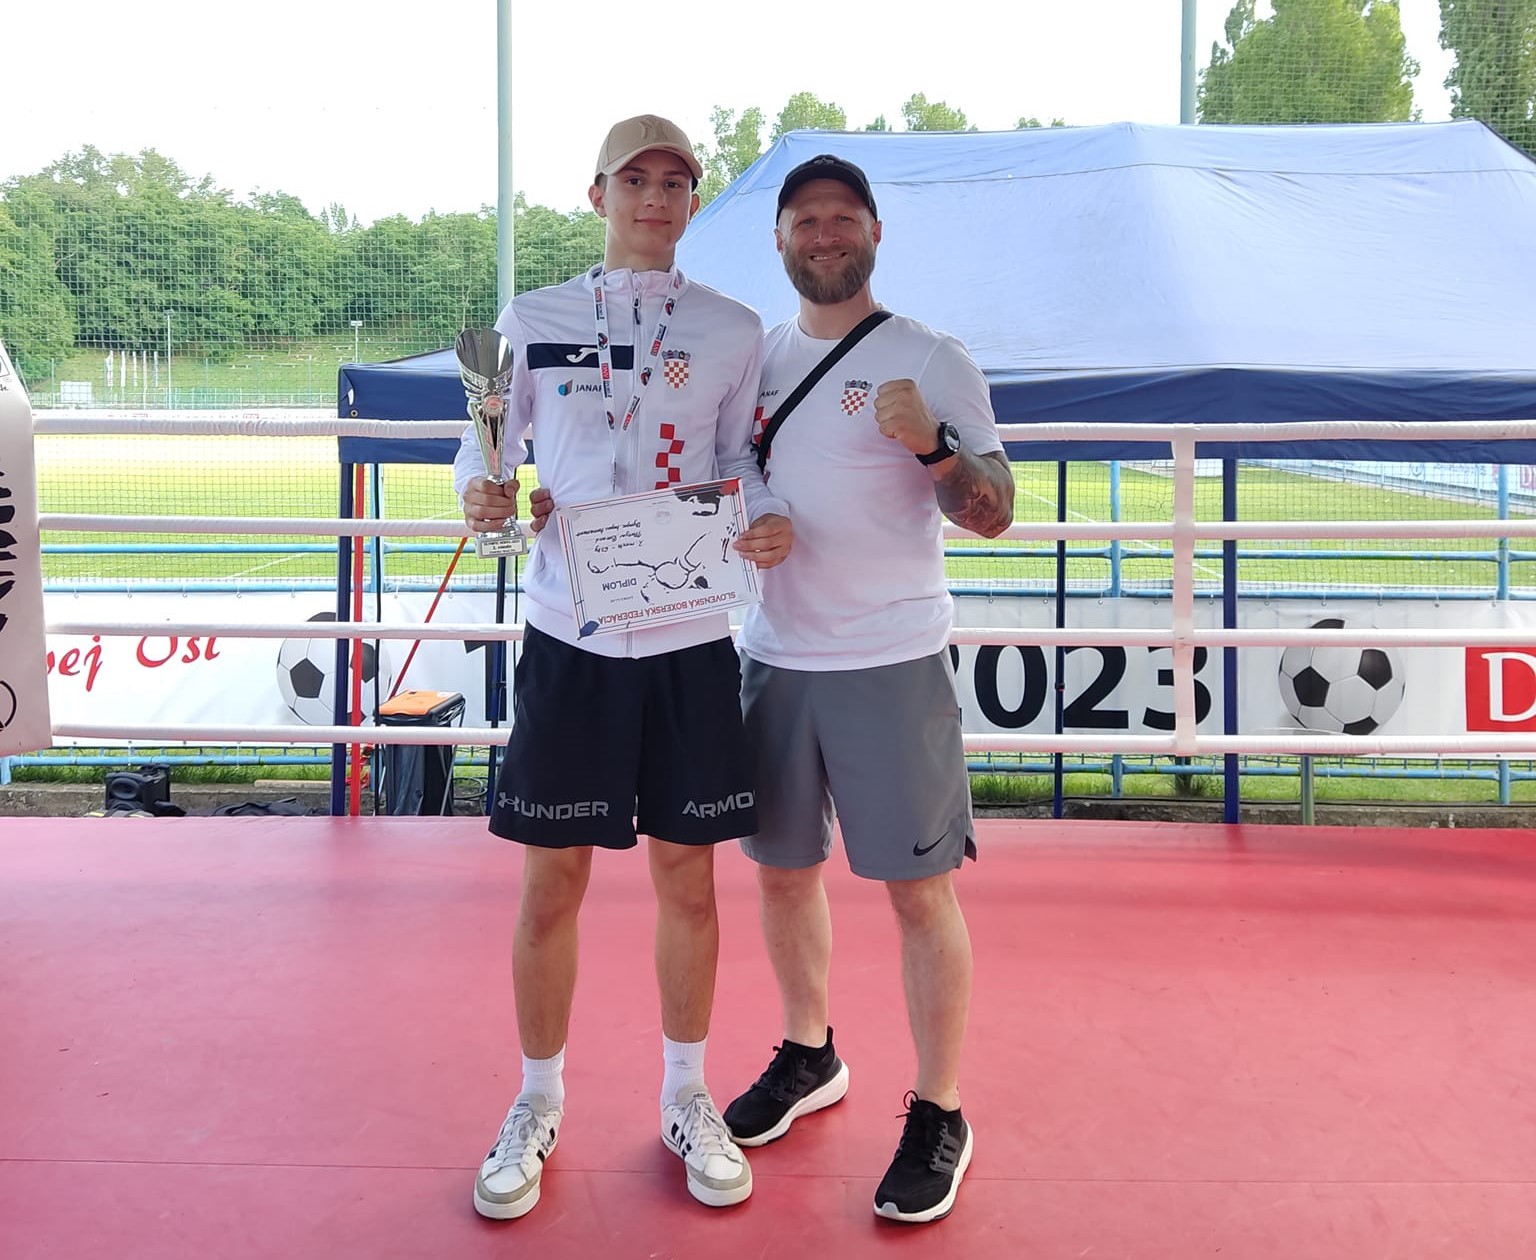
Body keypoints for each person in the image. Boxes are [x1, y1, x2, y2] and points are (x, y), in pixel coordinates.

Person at [454, 113, 793, 1221]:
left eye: (676, 181)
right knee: (551, 880)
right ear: (597, 193)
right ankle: (536, 1099)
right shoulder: (534, 319)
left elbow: (742, 459)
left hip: (690, 635)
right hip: (571, 634)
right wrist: (482, 491)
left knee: (688, 878)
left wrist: (767, 516)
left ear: (694, 198)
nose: (656, 197)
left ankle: (687, 1094)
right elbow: (488, 445)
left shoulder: (733, 328)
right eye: (635, 179)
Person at [718, 154, 1016, 1224]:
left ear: (876, 232)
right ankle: (810, 1053)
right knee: (781, 874)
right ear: (780, 239)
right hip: (776, 655)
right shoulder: (757, 359)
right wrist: (753, 518)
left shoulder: (931, 356)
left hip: (892, 661)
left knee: (918, 893)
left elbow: (996, 510)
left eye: (843, 217)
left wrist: (933, 448)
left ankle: (941, 1109)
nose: (825, 234)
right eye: (806, 220)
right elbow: (734, 475)